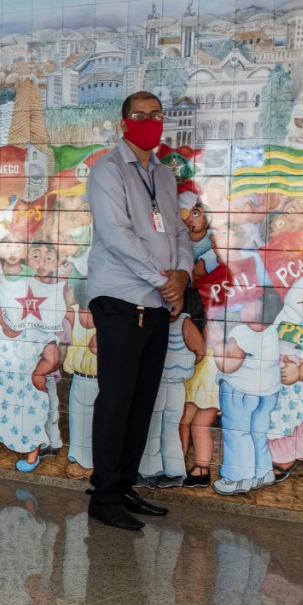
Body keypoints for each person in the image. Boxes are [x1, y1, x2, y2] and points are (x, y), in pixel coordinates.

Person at [85, 91, 192, 530]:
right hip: (120, 299)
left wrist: (182, 276)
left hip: (158, 303)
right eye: (140, 116)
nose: (149, 122)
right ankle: (103, 495)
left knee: (142, 398)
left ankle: (125, 485)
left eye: (156, 115)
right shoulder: (107, 170)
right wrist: (162, 279)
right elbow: (117, 235)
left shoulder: (164, 175)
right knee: (115, 399)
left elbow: (180, 232)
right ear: (124, 121)